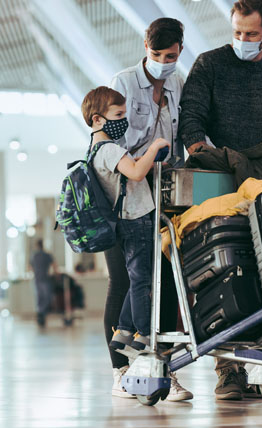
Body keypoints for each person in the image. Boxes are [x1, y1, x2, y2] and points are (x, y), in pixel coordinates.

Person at [178, 0, 262, 400]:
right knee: (218, 264)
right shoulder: (210, 64)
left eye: (251, 34)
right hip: (216, 176)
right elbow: (191, 117)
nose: (243, 40)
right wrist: (205, 152)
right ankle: (228, 369)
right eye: (237, 33)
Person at [107, 17, 193, 401]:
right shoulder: (123, 83)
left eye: (170, 55)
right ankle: (121, 371)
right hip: (123, 199)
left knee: (167, 284)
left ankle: (164, 371)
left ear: (180, 51)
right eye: (155, 54)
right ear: (145, 46)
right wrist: (149, 153)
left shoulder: (178, 82)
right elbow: (113, 144)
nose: (162, 61)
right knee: (125, 283)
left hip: (164, 197)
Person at [81, 85, 176, 395]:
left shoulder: (93, 150)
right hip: (136, 221)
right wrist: (154, 148)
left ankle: (123, 330)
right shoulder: (110, 149)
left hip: (122, 224)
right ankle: (144, 336)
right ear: (98, 119)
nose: (123, 121)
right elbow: (135, 173)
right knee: (142, 281)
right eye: (118, 115)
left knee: (136, 279)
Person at [29, 240, 57, 327]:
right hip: (45, 278)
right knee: (46, 297)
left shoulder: (34, 256)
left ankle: (41, 314)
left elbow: (30, 267)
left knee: (39, 298)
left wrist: (35, 272)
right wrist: (56, 274)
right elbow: (54, 266)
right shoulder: (46, 255)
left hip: (37, 279)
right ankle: (42, 314)